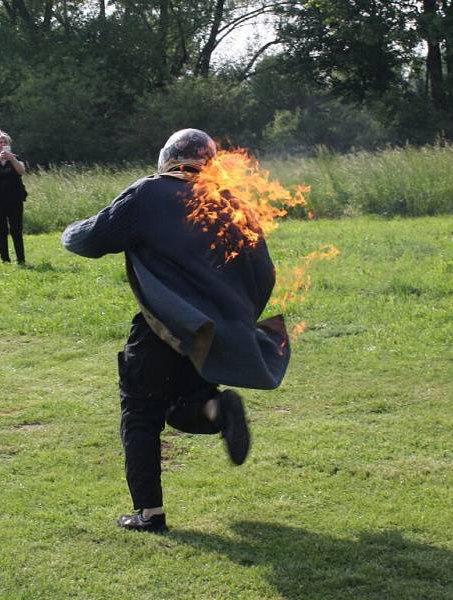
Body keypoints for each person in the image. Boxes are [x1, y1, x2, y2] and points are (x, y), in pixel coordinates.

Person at [61, 128, 290, 532]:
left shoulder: (148, 193)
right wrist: (234, 316)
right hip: (206, 333)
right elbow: (264, 273)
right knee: (186, 402)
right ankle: (218, 409)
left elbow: (91, 240)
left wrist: (69, 231)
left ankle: (149, 514)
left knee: (141, 412)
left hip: (159, 326)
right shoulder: (229, 202)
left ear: (168, 156)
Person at [0, 129, 28, 264]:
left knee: (16, 229)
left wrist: (11, 158)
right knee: (1, 230)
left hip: (15, 199)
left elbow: (21, 171)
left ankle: (21, 259)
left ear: (9, 144)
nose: (2, 144)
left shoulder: (16, 158)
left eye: (4, 142)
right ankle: (5, 260)